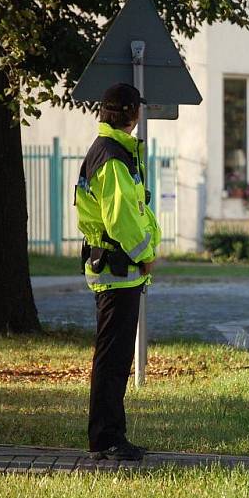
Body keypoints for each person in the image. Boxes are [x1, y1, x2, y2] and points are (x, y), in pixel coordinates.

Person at [74, 83, 161, 460]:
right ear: (133, 113)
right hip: (118, 270)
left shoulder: (114, 152)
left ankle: (111, 434)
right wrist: (145, 255)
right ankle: (106, 438)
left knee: (115, 358)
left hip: (118, 270)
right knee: (112, 360)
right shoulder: (112, 156)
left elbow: (133, 209)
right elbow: (122, 217)